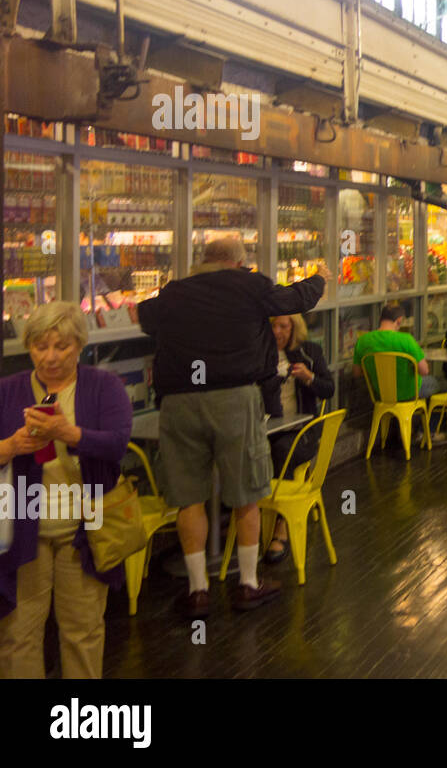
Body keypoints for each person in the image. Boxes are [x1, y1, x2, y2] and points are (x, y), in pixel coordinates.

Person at [137, 237, 328, 619]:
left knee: (188, 497)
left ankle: (197, 591)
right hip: (234, 398)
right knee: (246, 493)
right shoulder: (250, 285)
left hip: (179, 403)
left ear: (203, 261)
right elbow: (297, 299)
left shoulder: (176, 291)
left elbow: (143, 316)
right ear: (240, 262)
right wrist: (320, 278)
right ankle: (248, 584)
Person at [0, 302, 132, 678]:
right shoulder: (8, 390)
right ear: (29, 347)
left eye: (62, 346)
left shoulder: (103, 386)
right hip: (22, 533)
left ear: (80, 345)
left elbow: (117, 444)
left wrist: (67, 433)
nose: (51, 357)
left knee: (83, 632)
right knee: (17, 635)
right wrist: (10, 446)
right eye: (41, 347)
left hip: (84, 532)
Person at [262, 313, 335, 565]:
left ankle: (281, 525)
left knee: (283, 449)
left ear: (295, 329)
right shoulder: (260, 355)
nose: (277, 331)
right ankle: (243, 516)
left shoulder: (309, 352)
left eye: (283, 326)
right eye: (273, 325)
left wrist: (309, 377)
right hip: (265, 427)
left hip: (302, 430)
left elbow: (329, 388)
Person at [353, 304, 443, 403]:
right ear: (399, 320)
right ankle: (430, 418)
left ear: (381, 319)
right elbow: (424, 371)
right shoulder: (406, 339)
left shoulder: (362, 341)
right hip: (409, 394)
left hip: (380, 394)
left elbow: (357, 373)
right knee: (441, 383)